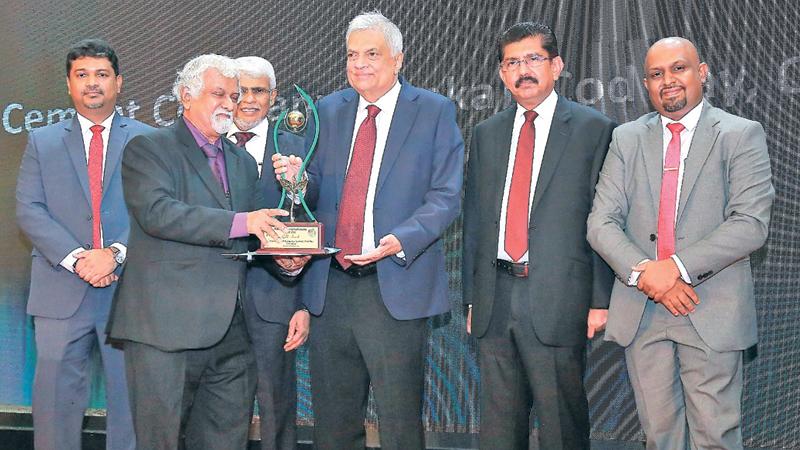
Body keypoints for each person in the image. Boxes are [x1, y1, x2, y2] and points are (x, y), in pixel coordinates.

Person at [274, 11, 463, 450]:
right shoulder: (328, 110)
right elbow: (316, 189)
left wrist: (404, 239)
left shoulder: (434, 110)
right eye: (352, 55)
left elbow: (446, 195)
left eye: (372, 54)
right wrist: (298, 181)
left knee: (399, 424)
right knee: (333, 424)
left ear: (397, 59)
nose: (360, 64)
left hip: (394, 283)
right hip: (331, 288)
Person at [587, 37, 774, 449]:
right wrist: (647, 274)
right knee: (658, 437)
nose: (667, 81)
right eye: (656, 74)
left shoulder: (741, 135)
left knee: (715, 437)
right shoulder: (626, 138)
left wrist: (673, 269)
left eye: (678, 68)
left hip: (711, 309)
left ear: (702, 72)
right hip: (643, 311)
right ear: (645, 83)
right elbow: (601, 223)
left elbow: (750, 224)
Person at [108, 54, 301, 450]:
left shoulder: (243, 162)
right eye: (219, 94)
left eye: (235, 95)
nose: (230, 104)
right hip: (166, 332)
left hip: (233, 335)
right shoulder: (149, 147)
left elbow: (253, 237)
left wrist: (285, 261)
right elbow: (158, 213)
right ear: (185, 95)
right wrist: (244, 223)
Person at [461, 22, 615, 450]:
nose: (523, 70)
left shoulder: (593, 129)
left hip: (558, 298)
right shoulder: (486, 134)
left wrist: (600, 299)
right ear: (501, 73)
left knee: (561, 425)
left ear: (557, 65)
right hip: (495, 297)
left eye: (533, 59)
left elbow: (604, 220)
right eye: (512, 62)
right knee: (497, 429)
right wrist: (472, 297)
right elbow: (475, 219)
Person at [16, 38, 150, 450]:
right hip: (61, 290)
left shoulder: (148, 139)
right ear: (69, 85)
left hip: (129, 293)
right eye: (82, 75)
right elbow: (29, 208)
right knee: (55, 409)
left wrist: (113, 254)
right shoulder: (43, 141)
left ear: (119, 83)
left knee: (132, 406)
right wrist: (79, 260)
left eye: (102, 74)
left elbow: (156, 210)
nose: (93, 83)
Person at [228, 55, 308, 450]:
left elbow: (317, 217)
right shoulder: (203, 142)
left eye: (258, 91)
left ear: (273, 96)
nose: (247, 99)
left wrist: (304, 304)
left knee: (277, 409)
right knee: (216, 410)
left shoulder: (297, 147)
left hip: (275, 299)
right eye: (239, 90)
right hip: (210, 300)